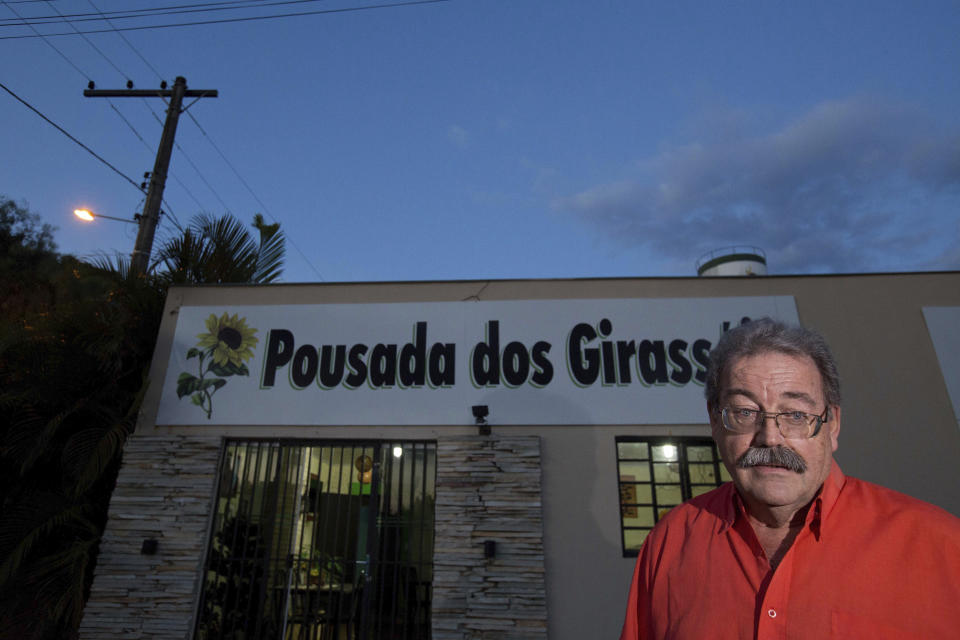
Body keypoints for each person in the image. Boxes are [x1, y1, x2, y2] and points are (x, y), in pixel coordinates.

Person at [619, 318, 960, 639]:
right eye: (744, 412)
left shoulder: (942, 547)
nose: (770, 437)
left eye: (796, 415)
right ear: (715, 421)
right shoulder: (671, 542)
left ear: (833, 424)